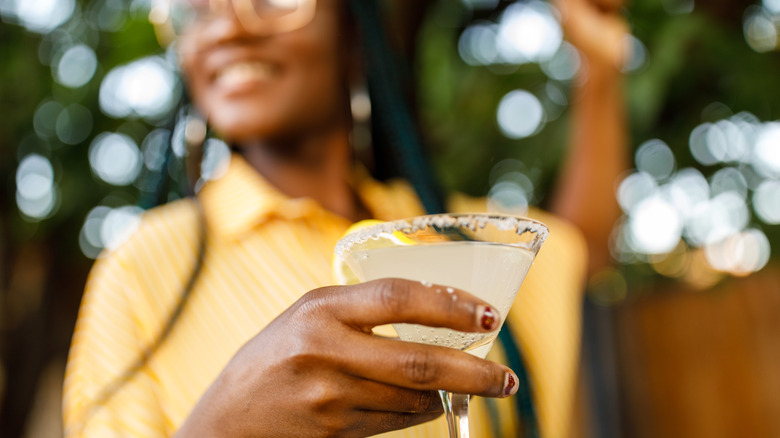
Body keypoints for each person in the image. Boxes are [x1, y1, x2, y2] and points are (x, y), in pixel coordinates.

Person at [63, 0, 628, 436]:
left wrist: (599, 66)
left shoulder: (445, 232)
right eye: (196, 10)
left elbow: (576, 248)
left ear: (354, 34)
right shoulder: (142, 266)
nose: (226, 27)